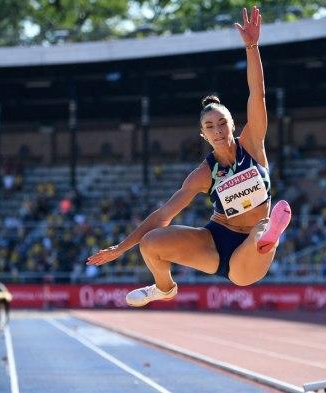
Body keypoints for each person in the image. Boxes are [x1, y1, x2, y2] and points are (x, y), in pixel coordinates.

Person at [87, 6, 292, 307]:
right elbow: (162, 216)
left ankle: (271, 233)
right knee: (152, 242)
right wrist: (121, 247)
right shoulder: (202, 174)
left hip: (250, 251)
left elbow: (257, 94)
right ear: (203, 135)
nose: (218, 129)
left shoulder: (252, 144)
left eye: (222, 123)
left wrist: (252, 47)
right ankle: (164, 287)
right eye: (210, 126)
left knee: (261, 231)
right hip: (215, 240)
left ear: (233, 124)